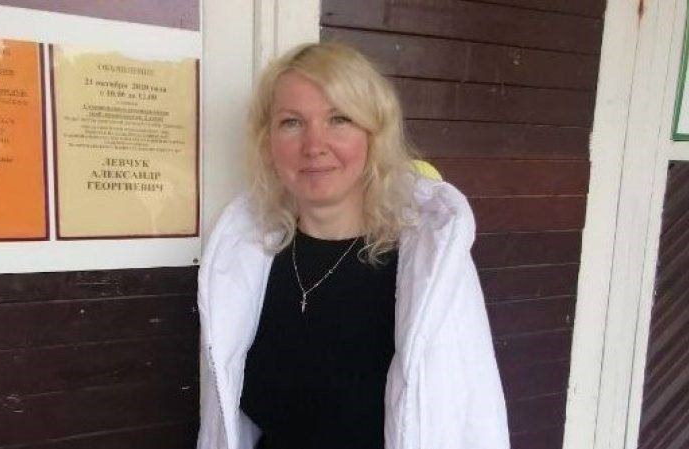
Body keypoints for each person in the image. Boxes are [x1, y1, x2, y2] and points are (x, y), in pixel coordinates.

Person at [197, 42, 509, 449]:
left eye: (339, 119)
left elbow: (475, 418)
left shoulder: (429, 269)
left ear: (373, 135)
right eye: (291, 122)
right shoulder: (244, 259)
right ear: (268, 141)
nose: (314, 145)